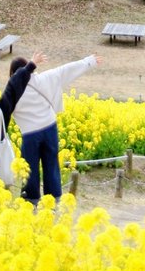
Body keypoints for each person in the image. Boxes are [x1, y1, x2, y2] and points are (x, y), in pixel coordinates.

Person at [10, 53, 100, 203]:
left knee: (29, 167)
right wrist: (88, 62)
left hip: (30, 134)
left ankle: (31, 199)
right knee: (52, 164)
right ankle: (54, 198)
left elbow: (4, 109)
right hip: (49, 127)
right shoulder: (44, 78)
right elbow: (66, 70)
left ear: (13, 73)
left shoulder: (13, 91)